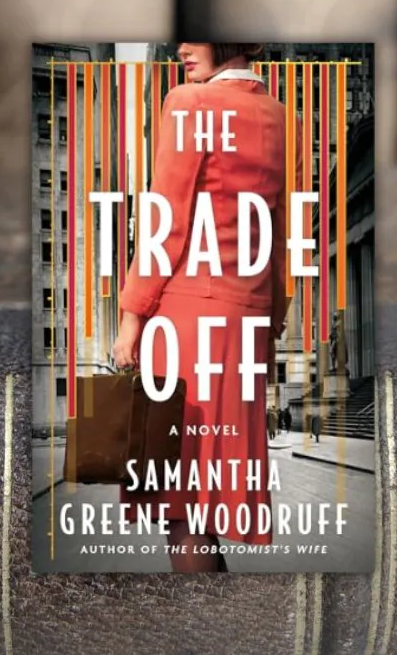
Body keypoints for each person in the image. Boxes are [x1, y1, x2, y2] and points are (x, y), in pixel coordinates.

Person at [113, 43, 291, 574]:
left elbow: (166, 219)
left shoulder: (189, 102)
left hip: (190, 317)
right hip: (247, 323)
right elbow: (279, 230)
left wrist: (132, 319)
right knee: (203, 498)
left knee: (182, 505)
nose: (180, 47)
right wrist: (271, 319)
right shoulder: (282, 116)